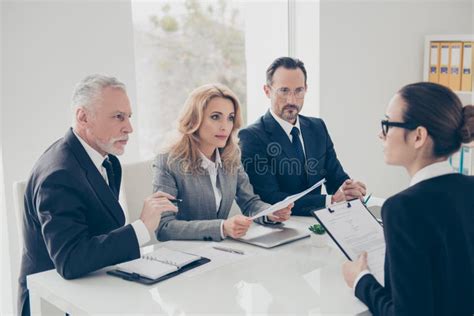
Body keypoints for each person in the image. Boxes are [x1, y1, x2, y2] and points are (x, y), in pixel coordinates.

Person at [18, 75, 177, 316]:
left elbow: (100, 229)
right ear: (83, 117)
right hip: (54, 303)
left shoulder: (109, 161)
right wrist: (141, 228)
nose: (129, 128)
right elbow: (70, 261)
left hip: (98, 287)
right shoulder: (58, 175)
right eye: (118, 117)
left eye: (128, 117)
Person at [342, 82, 474, 315]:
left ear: (419, 136)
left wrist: (361, 281)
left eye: (387, 124)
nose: (380, 134)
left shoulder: (402, 208)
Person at [153, 83, 293, 241]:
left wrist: (270, 212)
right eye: (215, 117)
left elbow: (250, 203)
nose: (225, 126)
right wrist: (221, 228)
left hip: (222, 251)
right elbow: (164, 227)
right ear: (193, 120)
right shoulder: (168, 161)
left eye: (230, 118)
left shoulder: (231, 156)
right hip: (185, 255)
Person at [239, 57, 366, 216]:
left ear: (306, 89)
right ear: (267, 91)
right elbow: (269, 197)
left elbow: (336, 178)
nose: (292, 100)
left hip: (321, 223)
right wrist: (330, 201)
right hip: (282, 227)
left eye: (298, 90)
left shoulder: (318, 127)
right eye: (284, 90)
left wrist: (350, 190)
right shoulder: (251, 136)